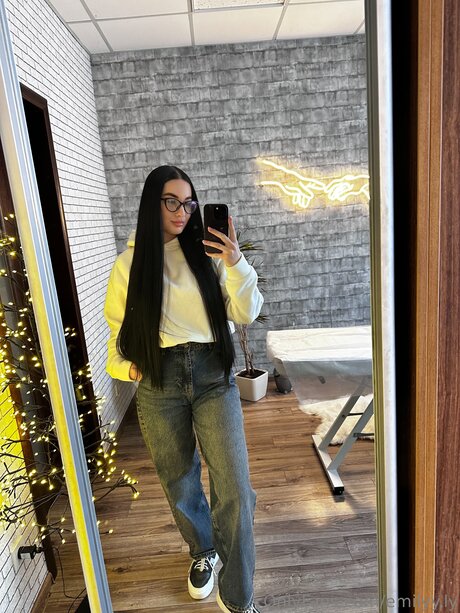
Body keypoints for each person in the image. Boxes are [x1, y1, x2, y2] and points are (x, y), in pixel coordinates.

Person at [104, 165, 263, 613]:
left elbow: (246, 312)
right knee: (179, 480)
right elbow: (116, 335)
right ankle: (203, 550)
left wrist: (235, 261)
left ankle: (238, 597)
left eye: (189, 202)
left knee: (235, 488)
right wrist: (130, 370)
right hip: (159, 380)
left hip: (213, 375)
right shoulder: (129, 265)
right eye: (171, 201)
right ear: (152, 203)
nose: (182, 211)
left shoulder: (208, 255)